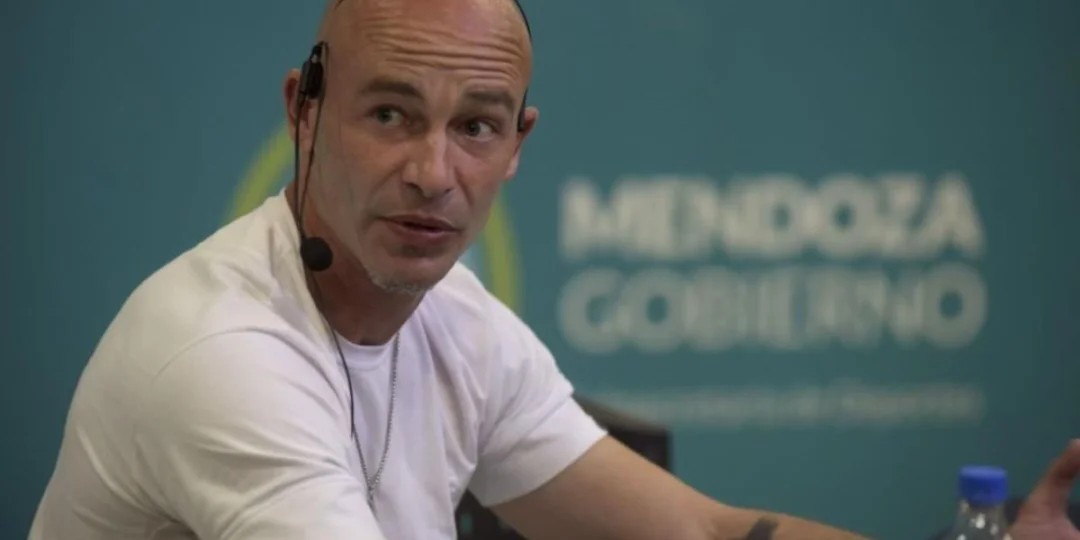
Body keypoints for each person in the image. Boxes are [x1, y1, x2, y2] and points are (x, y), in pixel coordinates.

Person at [28, 0, 1080, 538]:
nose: (433, 172)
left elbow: (700, 533)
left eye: (475, 127)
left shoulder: (457, 323)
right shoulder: (222, 356)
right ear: (304, 111)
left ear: (517, 144)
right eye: (389, 114)